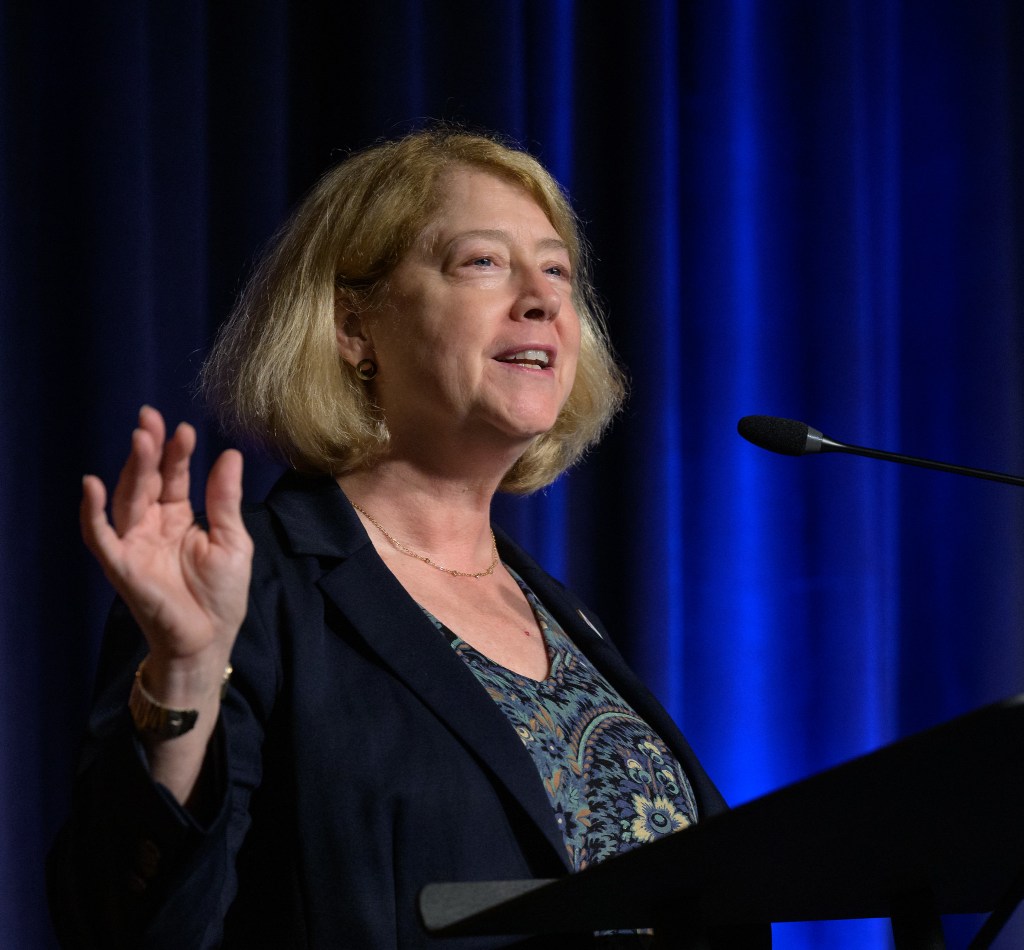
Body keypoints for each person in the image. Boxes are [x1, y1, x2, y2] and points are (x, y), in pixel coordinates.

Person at [49, 128, 768, 948]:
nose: (541, 299)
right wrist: (181, 679)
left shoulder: (563, 617)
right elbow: (123, 926)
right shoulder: (252, 591)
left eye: (558, 270)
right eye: (483, 262)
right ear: (355, 325)